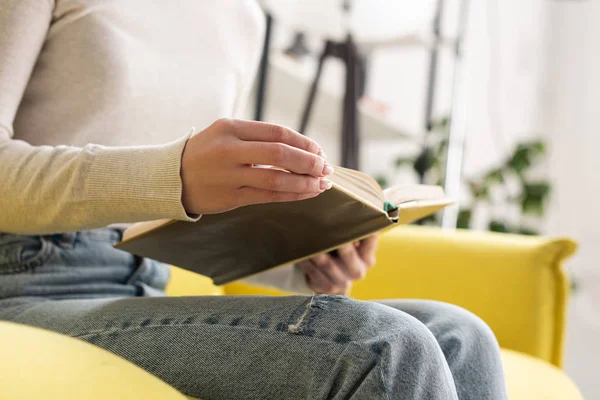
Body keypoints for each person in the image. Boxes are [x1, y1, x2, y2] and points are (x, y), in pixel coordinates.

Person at [0, 1, 508, 399]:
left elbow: (192, 207)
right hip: (24, 283)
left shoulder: (241, 16)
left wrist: (301, 256)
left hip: (144, 284)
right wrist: (175, 174)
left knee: (459, 334)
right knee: (386, 348)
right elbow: (172, 181)